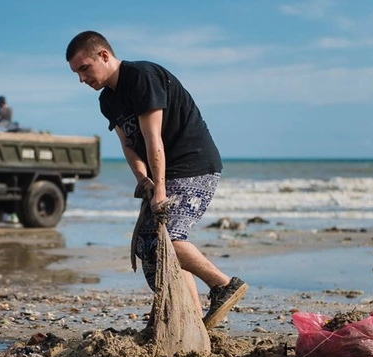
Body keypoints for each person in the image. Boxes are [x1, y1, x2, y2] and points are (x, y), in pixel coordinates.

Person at [66, 30, 248, 329]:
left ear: (104, 55)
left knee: (168, 240)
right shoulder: (107, 101)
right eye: (76, 73)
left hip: (194, 164)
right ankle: (189, 318)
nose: (82, 79)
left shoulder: (141, 76)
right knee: (148, 247)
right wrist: (143, 179)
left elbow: (153, 138)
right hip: (164, 171)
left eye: (84, 68)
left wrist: (160, 189)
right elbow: (128, 144)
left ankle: (224, 285)